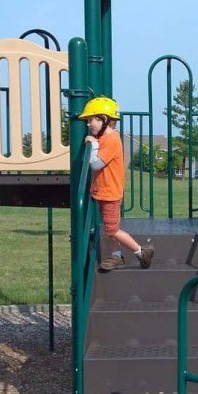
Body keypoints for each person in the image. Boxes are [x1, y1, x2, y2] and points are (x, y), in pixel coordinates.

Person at [79, 96, 154, 271]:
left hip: (110, 193)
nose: (88, 124)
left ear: (103, 119)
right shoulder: (103, 137)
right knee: (110, 228)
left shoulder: (111, 139)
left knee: (112, 230)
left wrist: (93, 144)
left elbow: (96, 164)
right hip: (103, 191)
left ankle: (141, 252)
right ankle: (117, 256)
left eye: (91, 120)